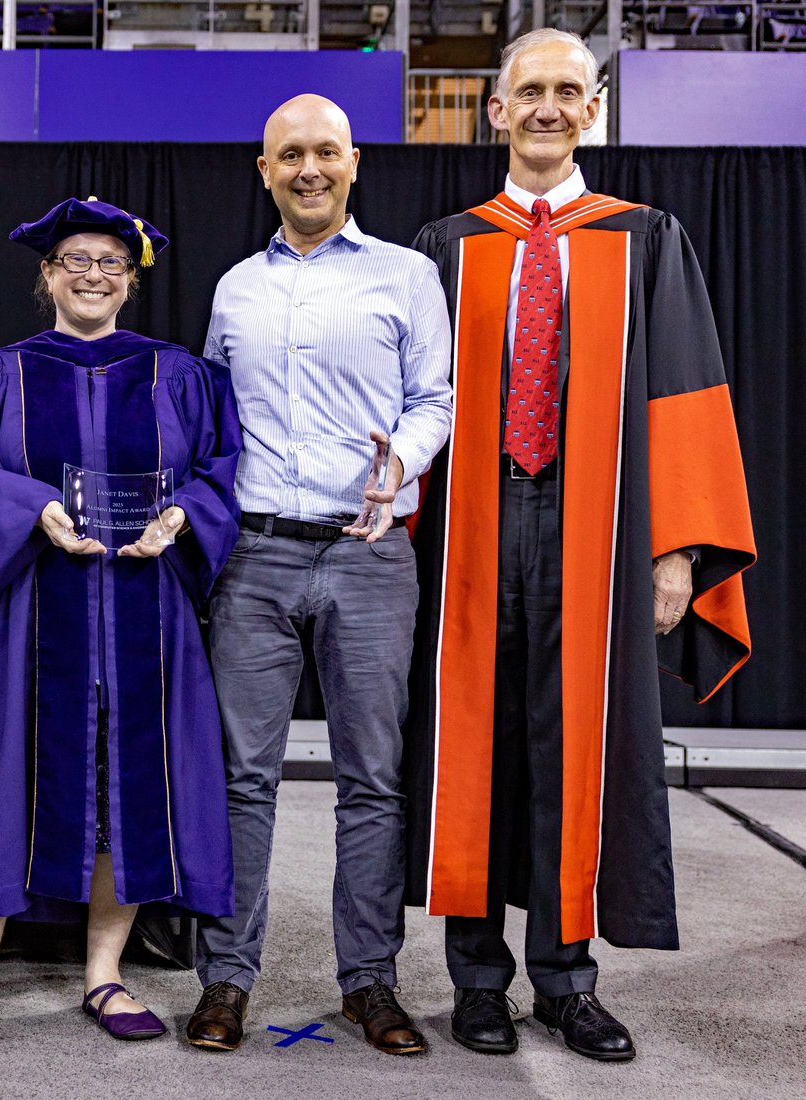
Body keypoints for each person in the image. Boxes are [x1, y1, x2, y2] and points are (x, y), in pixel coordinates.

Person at [409, 28, 756, 1062]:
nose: (551, 108)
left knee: (578, 742)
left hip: (598, 521)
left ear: (593, 107)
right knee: (478, 736)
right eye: (532, 92)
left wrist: (678, 550)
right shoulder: (445, 245)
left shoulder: (646, 236)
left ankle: (565, 978)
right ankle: (478, 977)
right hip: (474, 519)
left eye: (570, 90)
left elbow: (687, 397)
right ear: (496, 110)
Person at [0, 197, 240, 1043]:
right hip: (28, 606)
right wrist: (35, 510)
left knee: (124, 785)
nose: (93, 277)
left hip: (145, 605)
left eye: (111, 265)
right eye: (76, 262)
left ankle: (105, 975)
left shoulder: (182, 376)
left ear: (131, 282)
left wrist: (178, 521)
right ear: (47, 276)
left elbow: (220, 474)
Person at [187, 94, 453, 1055]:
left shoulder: (407, 276)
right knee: (238, 778)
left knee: (372, 779)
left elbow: (436, 396)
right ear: (264, 170)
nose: (309, 168)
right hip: (254, 555)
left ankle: (370, 981)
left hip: (371, 553)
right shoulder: (234, 290)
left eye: (326, 152)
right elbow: (213, 413)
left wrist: (403, 463)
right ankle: (225, 978)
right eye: (289, 154)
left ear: (353, 163)